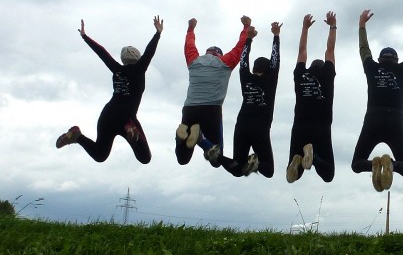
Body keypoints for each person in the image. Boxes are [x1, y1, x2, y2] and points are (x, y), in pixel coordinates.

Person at [56, 16, 163, 164]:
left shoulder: (116, 69)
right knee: (145, 158)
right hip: (126, 118)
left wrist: (85, 37)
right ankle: (132, 132)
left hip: (108, 115)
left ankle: (77, 136)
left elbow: (102, 53)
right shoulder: (140, 69)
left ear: (123, 59)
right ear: (137, 58)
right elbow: (149, 52)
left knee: (100, 155)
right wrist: (157, 34)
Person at [351, 10, 403, 192]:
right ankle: (391, 165)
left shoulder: (371, 68)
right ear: (396, 60)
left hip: (372, 119)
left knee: (356, 164)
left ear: (379, 60)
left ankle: (374, 165)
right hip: (395, 121)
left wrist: (362, 25)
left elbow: (364, 49)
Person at [208, 21, 282, 177]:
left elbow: (243, 60)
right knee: (268, 170)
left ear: (254, 69)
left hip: (241, 126)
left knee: (237, 168)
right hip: (260, 129)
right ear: (268, 69)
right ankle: (254, 162)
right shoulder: (270, 80)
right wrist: (276, 35)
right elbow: (276, 60)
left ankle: (217, 155)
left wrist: (249, 39)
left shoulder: (245, 77)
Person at [175, 15, 250, 166]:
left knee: (182, 160)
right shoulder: (226, 62)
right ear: (219, 55)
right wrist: (246, 27)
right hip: (211, 110)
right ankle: (201, 139)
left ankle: (182, 136)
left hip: (189, 109)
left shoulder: (194, 61)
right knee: (216, 159)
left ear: (206, 53)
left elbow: (189, 45)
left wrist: (191, 28)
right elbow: (240, 47)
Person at [286, 12, 337, 183]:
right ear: (324, 67)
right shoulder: (327, 75)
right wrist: (332, 26)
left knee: (295, 175)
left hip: (300, 126)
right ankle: (314, 158)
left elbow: (302, 51)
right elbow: (330, 49)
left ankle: (298, 161)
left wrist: (305, 28)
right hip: (321, 128)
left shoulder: (301, 74)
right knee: (328, 174)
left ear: (309, 67)